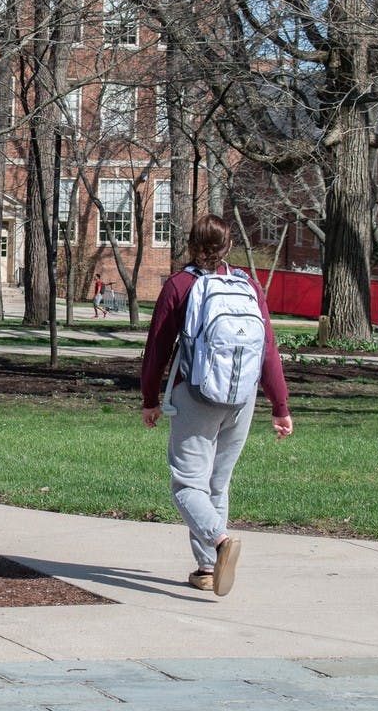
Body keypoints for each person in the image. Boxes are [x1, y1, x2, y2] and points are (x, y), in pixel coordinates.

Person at [140, 215, 293, 596]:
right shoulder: (248, 286)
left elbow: (157, 348)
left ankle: (220, 542)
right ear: (228, 247)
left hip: (194, 396)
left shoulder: (180, 285)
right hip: (242, 399)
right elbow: (268, 349)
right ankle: (207, 569)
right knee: (217, 484)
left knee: (188, 485)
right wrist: (280, 405)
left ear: (191, 243)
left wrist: (150, 398)